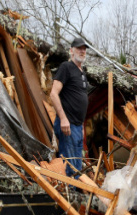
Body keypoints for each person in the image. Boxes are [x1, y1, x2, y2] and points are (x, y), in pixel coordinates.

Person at [50, 38, 89, 178]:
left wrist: (82, 126)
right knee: (69, 168)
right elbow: (53, 94)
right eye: (79, 48)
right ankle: (67, 196)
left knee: (77, 168)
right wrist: (63, 119)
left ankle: (75, 198)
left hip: (77, 127)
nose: (82, 51)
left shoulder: (82, 73)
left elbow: (80, 101)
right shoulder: (66, 67)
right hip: (67, 125)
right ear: (71, 50)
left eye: (84, 49)